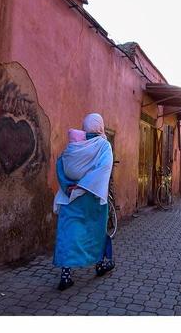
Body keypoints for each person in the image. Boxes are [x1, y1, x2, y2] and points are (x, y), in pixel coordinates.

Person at [52, 113, 114, 291]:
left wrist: (68, 186)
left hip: (70, 197)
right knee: (96, 232)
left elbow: (60, 164)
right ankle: (100, 265)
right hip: (91, 198)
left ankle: (65, 275)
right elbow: (103, 170)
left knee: (68, 234)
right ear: (100, 126)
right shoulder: (104, 146)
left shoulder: (75, 143)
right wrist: (84, 187)